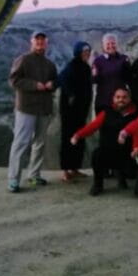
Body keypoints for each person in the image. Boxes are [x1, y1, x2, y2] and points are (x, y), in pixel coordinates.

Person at [7, 31, 58, 193]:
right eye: (37, 40)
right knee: (21, 142)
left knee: (40, 143)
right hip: (26, 108)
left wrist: (52, 84)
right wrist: (34, 85)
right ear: (31, 42)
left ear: (47, 43)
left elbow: (56, 81)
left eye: (43, 40)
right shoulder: (24, 60)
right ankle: (13, 179)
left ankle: (34, 174)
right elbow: (14, 80)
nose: (40, 43)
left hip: (43, 108)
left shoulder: (50, 64)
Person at [71, 87, 138, 195]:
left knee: (133, 174)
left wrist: (136, 148)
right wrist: (78, 135)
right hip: (107, 151)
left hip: (126, 154)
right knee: (96, 155)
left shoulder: (135, 115)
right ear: (113, 99)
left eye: (124, 97)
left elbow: (137, 134)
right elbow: (92, 127)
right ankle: (98, 184)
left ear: (129, 99)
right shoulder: (106, 113)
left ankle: (121, 176)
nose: (121, 100)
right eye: (118, 97)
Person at [58, 41, 93, 182]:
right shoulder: (72, 66)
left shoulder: (85, 67)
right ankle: (66, 170)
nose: (87, 54)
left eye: (88, 52)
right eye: (84, 52)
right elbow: (61, 80)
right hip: (69, 110)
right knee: (68, 138)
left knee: (79, 137)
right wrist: (71, 95)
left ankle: (75, 168)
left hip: (81, 109)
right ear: (78, 52)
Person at [92, 33, 133, 113]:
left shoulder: (123, 59)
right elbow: (94, 80)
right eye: (108, 44)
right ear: (103, 46)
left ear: (117, 45)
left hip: (120, 102)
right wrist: (94, 74)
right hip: (103, 101)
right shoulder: (98, 61)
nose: (111, 46)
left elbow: (129, 78)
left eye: (113, 43)